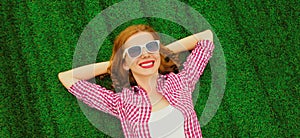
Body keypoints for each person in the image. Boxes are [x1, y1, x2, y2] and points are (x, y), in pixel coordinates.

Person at [58, 24, 214, 138]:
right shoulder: (121, 102)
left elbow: (206, 37)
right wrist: (117, 62)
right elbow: (68, 77)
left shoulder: (181, 82)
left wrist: (160, 52)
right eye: (134, 50)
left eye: (151, 46)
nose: (144, 54)